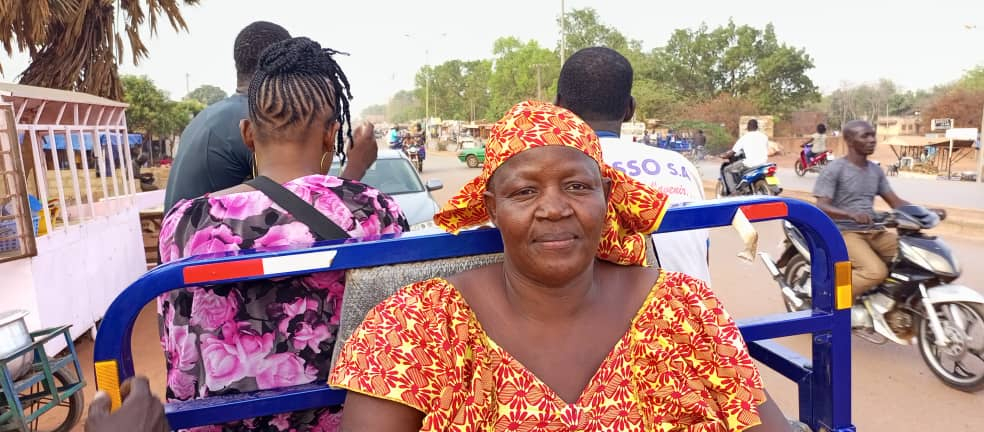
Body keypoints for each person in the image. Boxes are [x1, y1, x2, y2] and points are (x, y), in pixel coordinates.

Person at [329, 100, 790, 431]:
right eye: (525, 192)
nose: (554, 209)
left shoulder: (684, 308)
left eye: (576, 186)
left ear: (605, 196)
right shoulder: (415, 325)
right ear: (492, 207)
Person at [157, 37, 409, 431]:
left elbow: (181, 358)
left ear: (247, 134)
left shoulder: (187, 222)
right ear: (331, 135)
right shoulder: (375, 211)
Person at [554, 47, 710, 283]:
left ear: (558, 108)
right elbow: (702, 256)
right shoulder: (681, 166)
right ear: (630, 109)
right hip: (698, 304)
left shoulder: (551, 171)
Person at [813, 120, 917, 301]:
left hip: (874, 230)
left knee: (914, 258)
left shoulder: (876, 171)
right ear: (849, 141)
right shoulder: (835, 169)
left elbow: (896, 202)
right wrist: (850, 214)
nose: (872, 140)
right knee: (875, 272)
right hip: (845, 232)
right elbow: (821, 205)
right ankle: (828, 298)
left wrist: (924, 212)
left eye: (873, 135)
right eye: (865, 136)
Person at [720, 119, 769, 194]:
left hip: (750, 163)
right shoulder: (764, 137)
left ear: (748, 127)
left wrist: (724, 155)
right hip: (763, 163)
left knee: (727, 170)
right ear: (757, 127)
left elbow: (733, 152)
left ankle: (734, 192)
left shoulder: (744, 138)